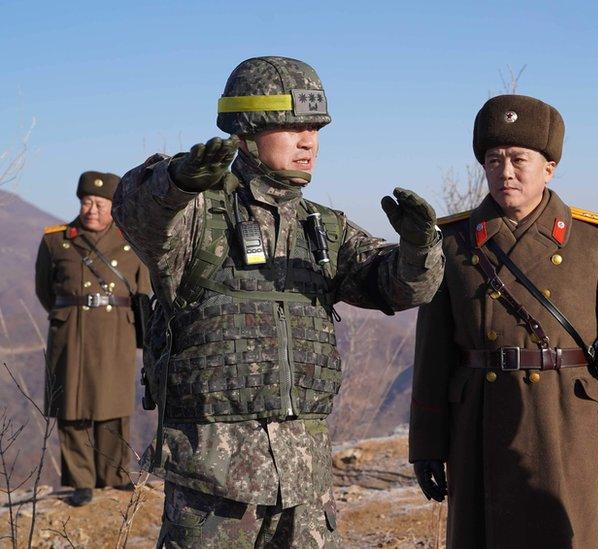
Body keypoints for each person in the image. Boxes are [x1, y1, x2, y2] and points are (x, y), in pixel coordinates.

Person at [113, 56, 444, 547]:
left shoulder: (322, 227)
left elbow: (399, 286)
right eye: (290, 127)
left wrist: (420, 248)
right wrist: (177, 182)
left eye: (313, 128)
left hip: (306, 486)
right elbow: (137, 212)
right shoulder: (196, 216)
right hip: (214, 487)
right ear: (246, 131)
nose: (307, 140)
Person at [409, 94, 598, 548]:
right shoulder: (452, 241)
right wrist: (426, 443)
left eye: (519, 159)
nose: (505, 172)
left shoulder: (594, 238)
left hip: (566, 422)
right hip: (479, 424)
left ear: (549, 166)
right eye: (493, 160)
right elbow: (433, 352)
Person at [35, 171, 150, 507]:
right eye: (87, 202)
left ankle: (114, 476)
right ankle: (80, 482)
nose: (92, 210)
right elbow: (45, 291)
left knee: (112, 405)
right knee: (71, 407)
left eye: (100, 203)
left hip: (117, 331)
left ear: (113, 207)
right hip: (71, 331)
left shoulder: (132, 242)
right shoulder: (57, 241)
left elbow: (143, 293)